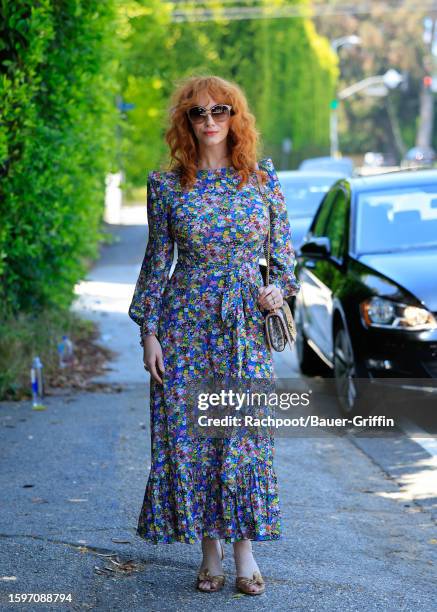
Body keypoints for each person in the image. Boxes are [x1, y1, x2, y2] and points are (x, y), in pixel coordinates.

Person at [128, 75, 300, 596]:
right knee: (193, 439)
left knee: (242, 437)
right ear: (185, 121)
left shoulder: (263, 179)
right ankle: (210, 551)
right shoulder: (166, 186)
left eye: (220, 111)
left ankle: (244, 553)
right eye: (198, 113)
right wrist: (149, 333)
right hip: (185, 324)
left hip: (244, 325)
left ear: (235, 118)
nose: (209, 121)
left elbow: (286, 259)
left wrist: (277, 289)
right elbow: (158, 262)